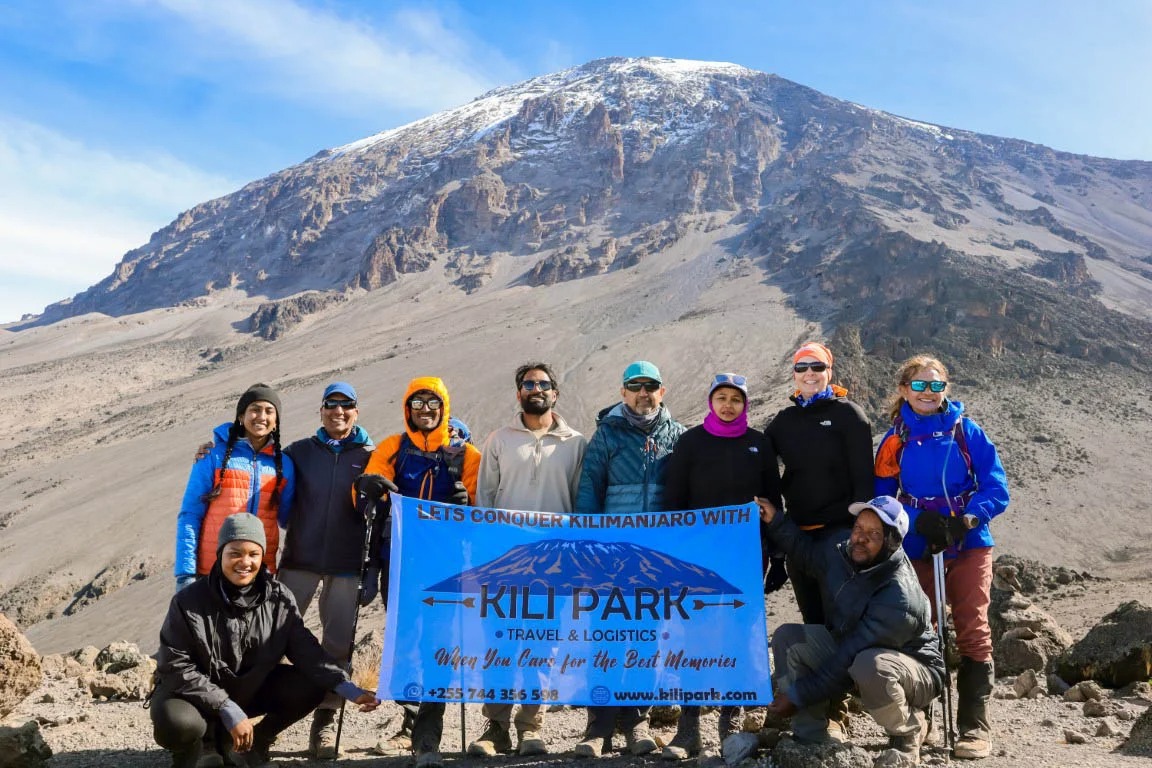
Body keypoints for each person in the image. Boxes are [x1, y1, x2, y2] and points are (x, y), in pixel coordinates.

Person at [151, 513, 379, 768]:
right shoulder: (189, 600)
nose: (244, 562)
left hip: (243, 691)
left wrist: (349, 689)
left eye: (253, 554)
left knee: (314, 683)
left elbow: (308, 654)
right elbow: (175, 666)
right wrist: (226, 706)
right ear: (220, 553)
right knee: (177, 722)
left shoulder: (278, 599)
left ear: (263, 556)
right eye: (235, 553)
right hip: (192, 696)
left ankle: (255, 741)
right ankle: (195, 749)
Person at [874, 355, 1009, 760]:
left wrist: (966, 519)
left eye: (936, 386)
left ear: (945, 389)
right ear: (904, 390)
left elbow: (996, 488)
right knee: (922, 627)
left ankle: (974, 726)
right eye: (919, 385)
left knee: (972, 626)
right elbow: (881, 497)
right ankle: (924, 718)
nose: (928, 393)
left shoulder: (967, 431)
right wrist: (918, 521)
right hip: (919, 544)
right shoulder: (893, 439)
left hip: (968, 542)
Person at [757, 495, 945, 764]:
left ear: (891, 542)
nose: (860, 538)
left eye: (873, 534)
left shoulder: (899, 597)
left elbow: (847, 659)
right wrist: (776, 520)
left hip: (914, 669)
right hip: (854, 652)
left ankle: (909, 727)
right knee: (789, 637)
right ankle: (811, 737)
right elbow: (805, 552)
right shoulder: (844, 552)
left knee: (870, 665)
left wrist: (795, 696)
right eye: (858, 528)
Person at [358, 376, 482, 768]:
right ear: (407, 408)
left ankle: (427, 736)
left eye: (432, 404)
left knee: (439, 647)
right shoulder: (393, 448)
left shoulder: (467, 456)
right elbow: (362, 492)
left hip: (447, 568)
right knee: (406, 640)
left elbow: (484, 510)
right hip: (398, 562)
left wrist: (468, 503)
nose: (425, 411)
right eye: (418, 404)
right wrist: (367, 487)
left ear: (444, 407)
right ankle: (409, 724)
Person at [660, 373, 784, 760]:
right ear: (711, 401)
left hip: (747, 555)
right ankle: (688, 728)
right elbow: (673, 502)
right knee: (694, 637)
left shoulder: (758, 443)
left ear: (745, 405)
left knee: (737, 634)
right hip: (699, 560)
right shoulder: (691, 442)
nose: (728, 405)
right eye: (721, 398)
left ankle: (730, 721)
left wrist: (778, 555)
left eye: (736, 399)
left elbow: (772, 501)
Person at [467, 363, 588, 758]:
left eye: (543, 384)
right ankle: (496, 727)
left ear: (556, 393)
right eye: (528, 384)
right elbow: (484, 499)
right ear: (518, 392)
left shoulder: (576, 443)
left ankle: (531, 725)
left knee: (542, 643)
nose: (536, 389)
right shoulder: (499, 440)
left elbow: (578, 503)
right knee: (499, 642)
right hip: (504, 563)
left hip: (554, 564)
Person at [573, 360, 686, 759]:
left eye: (650, 386)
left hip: (654, 563)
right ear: (623, 393)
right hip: (609, 561)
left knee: (645, 640)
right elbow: (589, 492)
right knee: (604, 639)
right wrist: (588, 549)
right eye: (635, 387)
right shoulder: (605, 437)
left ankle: (637, 722)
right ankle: (598, 727)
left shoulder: (677, 436)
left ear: (662, 391)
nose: (643, 394)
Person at [275, 382, 377, 759]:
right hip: (298, 560)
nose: (339, 412)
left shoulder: (372, 455)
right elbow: (263, 469)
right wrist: (214, 450)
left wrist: (373, 571)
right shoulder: (300, 452)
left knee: (337, 646)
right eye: (331, 406)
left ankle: (326, 720)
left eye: (346, 405)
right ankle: (256, 718)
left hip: (347, 566)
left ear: (356, 411)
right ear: (321, 411)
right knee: (274, 635)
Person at [764, 342, 874, 626]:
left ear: (830, 371)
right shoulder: (784, 421)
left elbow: (864, 481)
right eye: (802, 367)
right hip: (798, 534)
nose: (809, 373)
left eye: (818, 366)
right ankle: (819, 670)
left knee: (843, 619)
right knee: (812, 620)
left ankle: (847, 671)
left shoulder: (849, 415)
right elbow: (760, 463)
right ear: (794, 374)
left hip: (838, 536)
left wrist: (859, 537)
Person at [175, 383, 295, 590]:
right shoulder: (213, 456)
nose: (261, 416)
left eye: (269, 411)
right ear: (241, 416)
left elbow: (288, 520)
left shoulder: (284, 466)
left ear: (276, 422)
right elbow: (190, 515)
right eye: (254, 409)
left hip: (257, 574)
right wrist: (185, 575)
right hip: (211, 571)